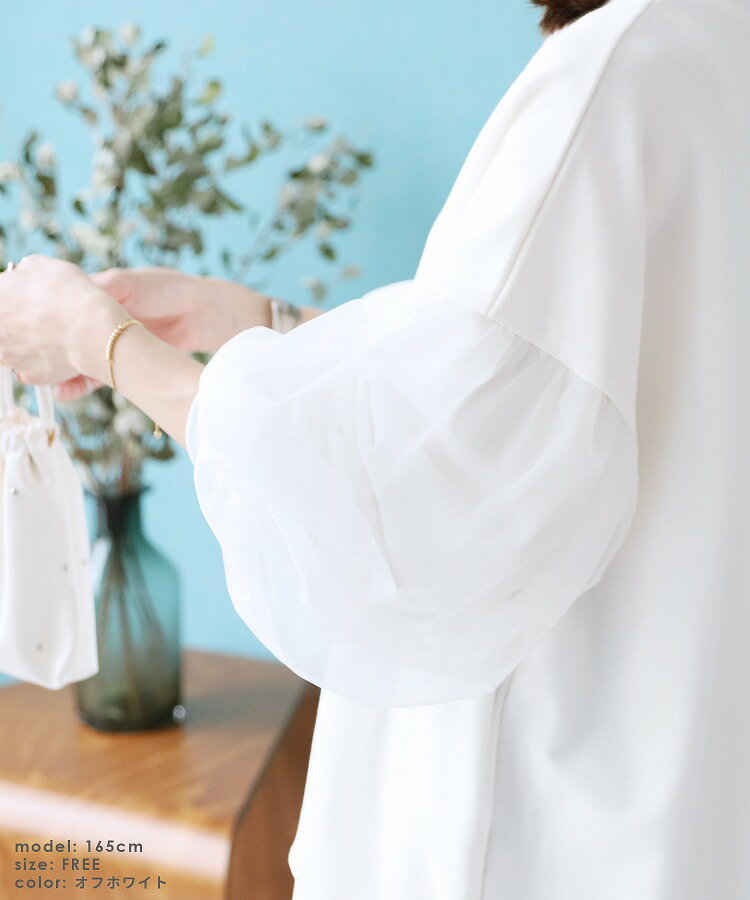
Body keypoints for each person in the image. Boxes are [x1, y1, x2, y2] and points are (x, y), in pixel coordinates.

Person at [1, 0, 748, 895]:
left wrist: (100, 342)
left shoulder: (615, 71)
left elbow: (405, 510)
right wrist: (248, 317)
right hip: (666, 797)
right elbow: (529, 386)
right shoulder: (717, 44)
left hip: (534, 830)